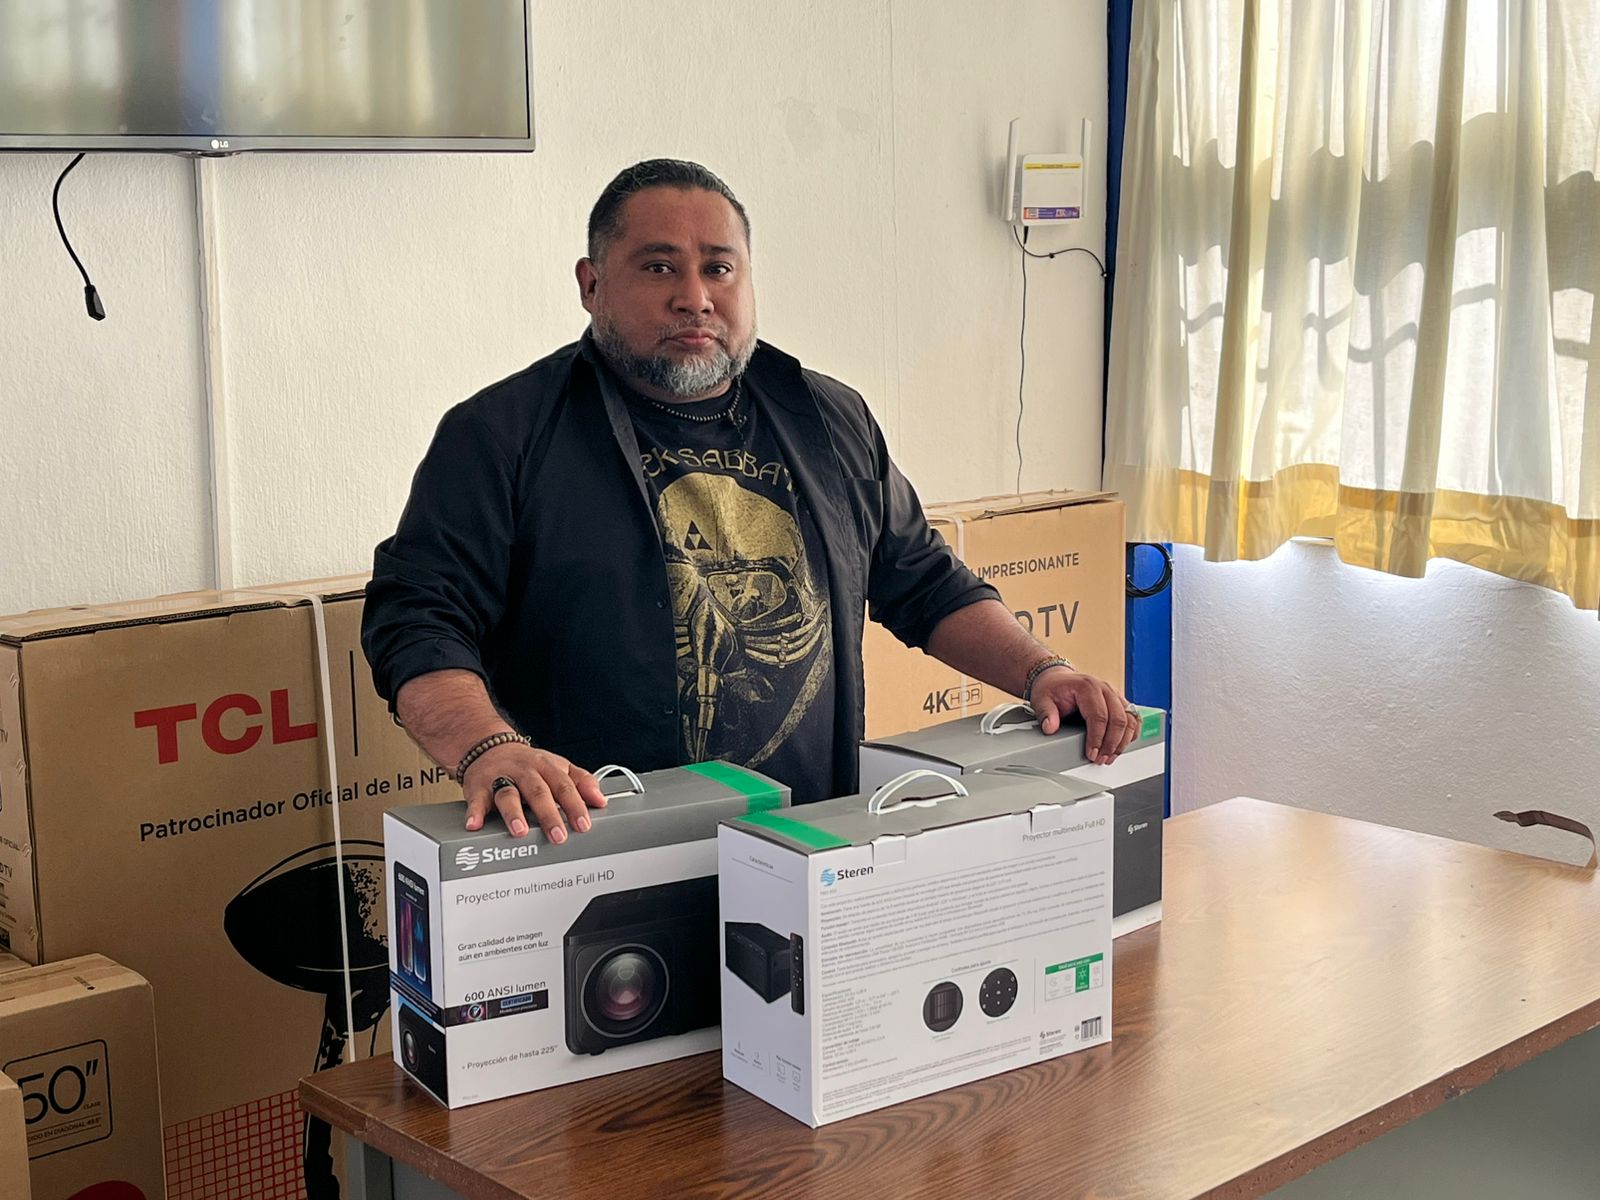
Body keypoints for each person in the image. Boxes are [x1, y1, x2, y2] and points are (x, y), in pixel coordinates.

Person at [362, 159, 1139, 845]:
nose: (695, 298)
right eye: (659, 267)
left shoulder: (829, 417)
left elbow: (925, 583)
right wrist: (488, 749)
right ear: (591, 285)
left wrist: (1043, 672)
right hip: (595, 847)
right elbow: (418, 620)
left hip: (810, 845)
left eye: (719, 268)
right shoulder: (502, 434)